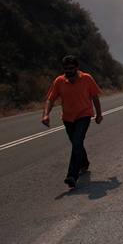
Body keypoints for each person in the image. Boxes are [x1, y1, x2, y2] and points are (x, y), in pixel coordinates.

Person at [42, 55, 103, 188]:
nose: (68, 71)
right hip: (68, 118)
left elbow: (95, 97)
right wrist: (46, 115)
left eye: (71, 68)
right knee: (77, 144)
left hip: (84, 115)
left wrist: (99, 114)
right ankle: (84, 163)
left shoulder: (87, 78)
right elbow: (50, 99)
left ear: (76, 68)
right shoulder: (59, 81)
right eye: (66, 69)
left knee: (76, 142)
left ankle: (72, 176)